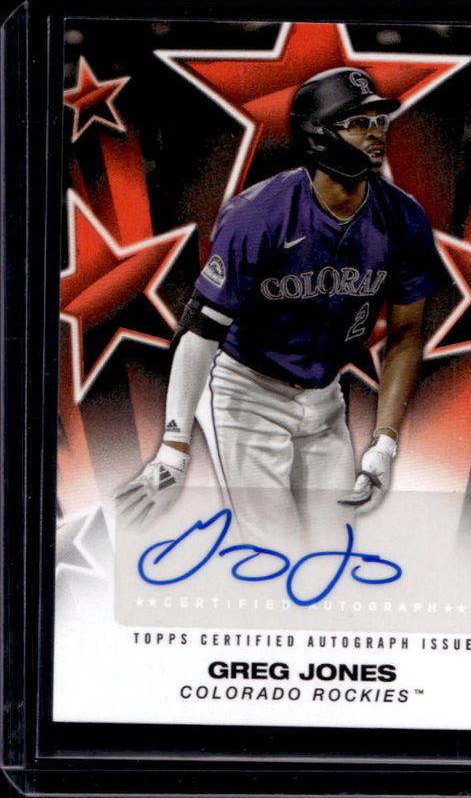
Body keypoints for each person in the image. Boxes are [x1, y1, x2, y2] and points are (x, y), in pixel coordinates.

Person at [116, 67, 444, 543]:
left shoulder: (403, 217)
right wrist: (174, 447)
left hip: (325, 396)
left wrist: (384, 443)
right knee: (275, 550)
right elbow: (200, 331)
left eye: (380, 120)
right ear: (318, 134)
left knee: (334, 548)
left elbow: (407, 334)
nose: (376, 133)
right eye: (358, 122)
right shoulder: (259, 214)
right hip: (246, 393)